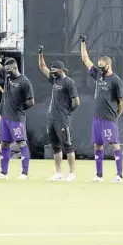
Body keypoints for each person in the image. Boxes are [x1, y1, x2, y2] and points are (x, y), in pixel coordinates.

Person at [80, 35, 123, 183]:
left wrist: (117, 114)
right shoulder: (98, 75)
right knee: (97, 145)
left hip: (109, 118)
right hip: (97, 117)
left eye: (102, 66)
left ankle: (119, 175)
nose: (100, 68)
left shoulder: (116, 80)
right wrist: (83, 43)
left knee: (114, 144)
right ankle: (99, 175)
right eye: (99, 66)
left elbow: (122, 101)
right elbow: (85, 59)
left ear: (109, 65)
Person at [38, 46, 80, 181]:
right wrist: (40, 54)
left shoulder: (69, 82)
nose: (52, 72)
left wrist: (67, 111)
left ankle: (72, 173)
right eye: (52, 70)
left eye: (55, 70)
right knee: (55, 146)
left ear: (61, 70)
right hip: (52, 118)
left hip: (63, 119)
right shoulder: (55, 80)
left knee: (68, 145)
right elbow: (42, 67)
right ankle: (58, 173)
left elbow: (76, 102)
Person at [0, 58, 35, 180]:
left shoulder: (24, 82)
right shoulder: (7, 77)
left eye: (8, 70)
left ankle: (24, 173)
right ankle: (3, 172)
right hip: (5, 117)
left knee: (21, 143)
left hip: (17, 118)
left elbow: (31, 101)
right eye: (5, 70)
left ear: (15, 68)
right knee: (4, 144)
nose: (6, 72)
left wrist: (20, 108)